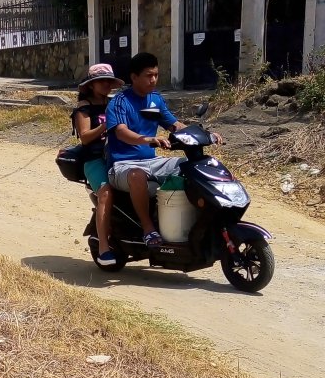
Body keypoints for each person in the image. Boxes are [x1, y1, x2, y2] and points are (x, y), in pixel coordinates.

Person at [106, 52, 221, 246]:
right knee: (137, 176)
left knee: (193, 166)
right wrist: (148, 139)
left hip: (153, 161)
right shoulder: (119, 102)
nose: (153, 80)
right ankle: (148, 229)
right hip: (123, 165)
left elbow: (174, 125)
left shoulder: (156, 100)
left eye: (156, 75)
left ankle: (200, 222)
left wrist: (206, 134)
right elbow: (121, 132)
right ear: (134, 77)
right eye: (148, 75)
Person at [72, 64, 123, 264]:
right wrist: (105, 124)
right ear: (91, 85)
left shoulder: (115, 103)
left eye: (109, 81)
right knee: (106, 192)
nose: (106, 84)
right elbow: (84, 138)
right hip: (94, 159)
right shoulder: (83, 107)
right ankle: (103, 248)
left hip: (118, 156)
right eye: (102, 81)